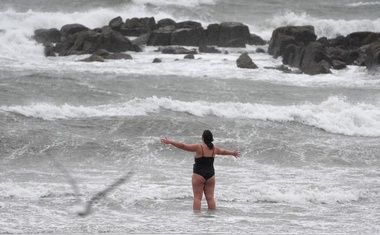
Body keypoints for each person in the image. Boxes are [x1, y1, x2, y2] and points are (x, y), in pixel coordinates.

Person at [161, 130, 240, 211]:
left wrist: (170, 141)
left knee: (197, 198)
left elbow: (183, 146)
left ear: (203, 138)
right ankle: (212, 217)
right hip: (211, 175)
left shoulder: (199, 147)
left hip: (199, 174)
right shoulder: (214, 149)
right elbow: (223, 152)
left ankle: (197, 219)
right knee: (210, 198)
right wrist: (232, 153)